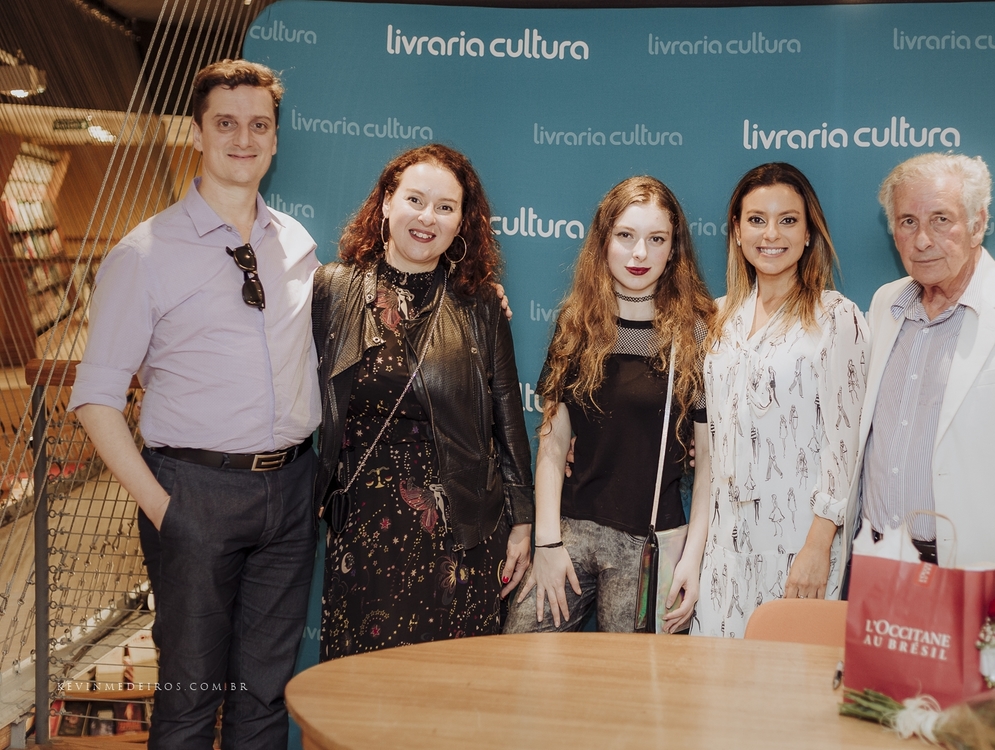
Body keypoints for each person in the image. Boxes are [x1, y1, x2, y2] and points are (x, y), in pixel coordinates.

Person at [70, 60, 318, 749]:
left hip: (292, 491)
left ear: (275, 138)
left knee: (265, 697)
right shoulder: (143, 254)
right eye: (226, 123)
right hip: (193, 493)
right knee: (187, 699)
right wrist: (165, 509)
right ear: (197, 133)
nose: (244, 138)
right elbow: (94, 399)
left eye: (259, 125)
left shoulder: (296, 244)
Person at [313, 144, 533, 659]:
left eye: (445, 207)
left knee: (452, 697)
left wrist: (523, 521)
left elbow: (507, 415)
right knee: (365, 697)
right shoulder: (333, 290)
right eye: (414, 199)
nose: (427, 218)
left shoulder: (480, 304)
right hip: (363, 529)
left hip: (460, 529)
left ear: (462, 223)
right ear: (386, 203)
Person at [840, 152, 995, 584]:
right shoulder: (886, 304)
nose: (922, 240)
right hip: (875, 566)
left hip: (979, 574)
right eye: (907, 222)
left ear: (978, 224)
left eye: (941, 220)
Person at [505, 176, 714, 634]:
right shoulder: (576, 324)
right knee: (520, 660)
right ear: (604, 241)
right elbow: (553, 447)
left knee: (634, 694)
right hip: (571, 531)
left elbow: (709, 470)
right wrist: (547, 544)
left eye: (656, 239)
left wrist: (692, 561)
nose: (639, 254)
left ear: (673, 249)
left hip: (649, 542)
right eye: (626, 236)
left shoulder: (695, 333)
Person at [690, 163, 868, 638]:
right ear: (736, 230)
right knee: (715, 695)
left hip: (798, 546)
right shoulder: (717, 317)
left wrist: (818, 546)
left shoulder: (836, 317)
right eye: (756, 219)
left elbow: (845, 446)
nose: (772, 234)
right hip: (722, 551)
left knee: (788, 697)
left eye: (788, 220)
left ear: (809, 233)